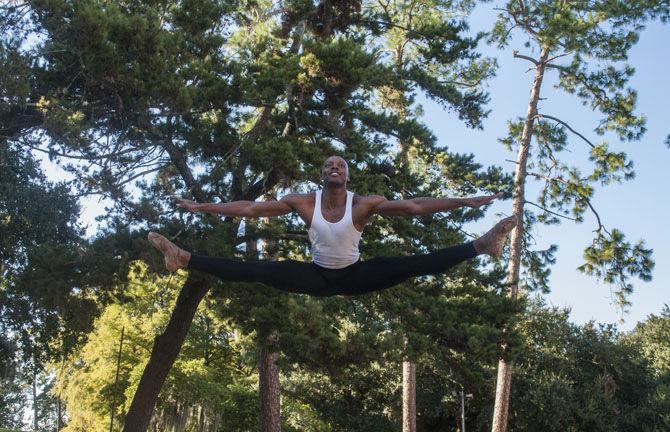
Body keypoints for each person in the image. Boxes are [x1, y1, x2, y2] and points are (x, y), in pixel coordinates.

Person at [148, 155, 516, 296]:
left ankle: (481, 245)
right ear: (322, 175)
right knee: (258, 269)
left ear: (347, 174)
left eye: (340, 165)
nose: (334, 168)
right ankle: (182, 257)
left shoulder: (364, 204)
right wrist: (202, 205)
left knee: (407, 265)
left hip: (355, 275)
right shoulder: (303, 202)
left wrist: (463, 201)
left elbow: (416, 206)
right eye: (327, 166)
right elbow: (251, 209)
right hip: (317, 276)